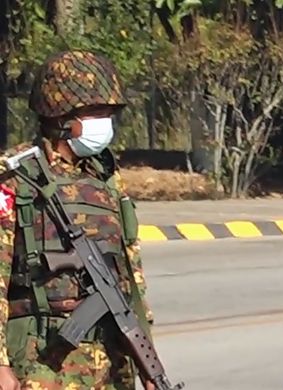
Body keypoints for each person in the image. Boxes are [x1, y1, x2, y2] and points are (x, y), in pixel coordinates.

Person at [0, 50, 155, 390]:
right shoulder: (16, 176)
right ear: (61, 117)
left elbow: (130, 273)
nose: (106, 123)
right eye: (96, 112)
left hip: (110, 357)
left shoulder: (107, 179)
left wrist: (146, 358)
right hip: (43, 360)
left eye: (109, 113)